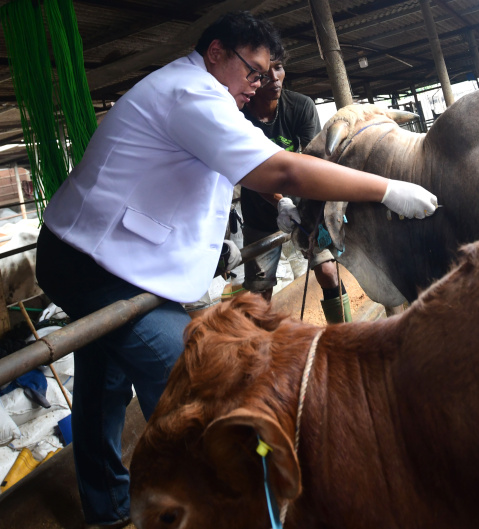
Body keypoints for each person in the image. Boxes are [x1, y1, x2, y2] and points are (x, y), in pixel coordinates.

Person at [35, 11, 437, 528]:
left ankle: (106, 508)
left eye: (266, 76)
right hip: (92, 259)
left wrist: (272, 211)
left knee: (103, 378)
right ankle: (223, 510)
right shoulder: (190, 94)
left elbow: (236, 168)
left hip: (111, 254)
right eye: (253, 71)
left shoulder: (207, 96)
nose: (259, 84)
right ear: (216, 53)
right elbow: (281, 167)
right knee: (188, 374)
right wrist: (385, 189)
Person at [239, 45, 352, 322]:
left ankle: (342, 334)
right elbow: (247, 169)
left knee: (328, 271)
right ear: (251, 77)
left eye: (278, 68)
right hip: (259, 212)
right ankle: (260, 345)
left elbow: (312, 162)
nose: (274, 78)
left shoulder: (300, 107)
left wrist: (305, 206)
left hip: (303, 208)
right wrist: (280, 202)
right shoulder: (239, 117)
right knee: (259, 293)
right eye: (265, 72)